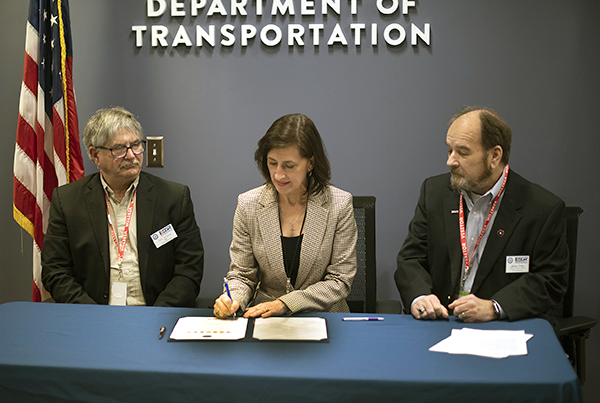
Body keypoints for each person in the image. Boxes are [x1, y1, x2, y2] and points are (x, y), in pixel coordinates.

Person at [395, 106, 569, 324]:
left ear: (494, 155)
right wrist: (420, 296)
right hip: (440, 324)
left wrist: (495, 307)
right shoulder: (434, 192)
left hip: (502, 328)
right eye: (449, 150)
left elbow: (550, 279)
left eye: (463, 152)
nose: (451, 161)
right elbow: (411, 258)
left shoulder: (542, 208)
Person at [42, 107, 204, 307]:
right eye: (119, 149)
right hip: (92, 314)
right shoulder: (67, 201)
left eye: (136, 145)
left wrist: (156, 316)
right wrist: (92, 316)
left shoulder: (174, 198)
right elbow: (55, 271)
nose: (131, 155)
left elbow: (189, 269)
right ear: (95, 155)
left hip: (156, 314)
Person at [213, 113, 357, 319]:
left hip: (324, 317)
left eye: (289, 166)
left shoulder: (339, 204)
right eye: (272, 163)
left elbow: (340, 280)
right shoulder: (248, 204)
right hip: (265, 319)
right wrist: (233, 299)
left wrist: (286, 303)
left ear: (310, 163)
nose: (279, 175)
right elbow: (242, 275)